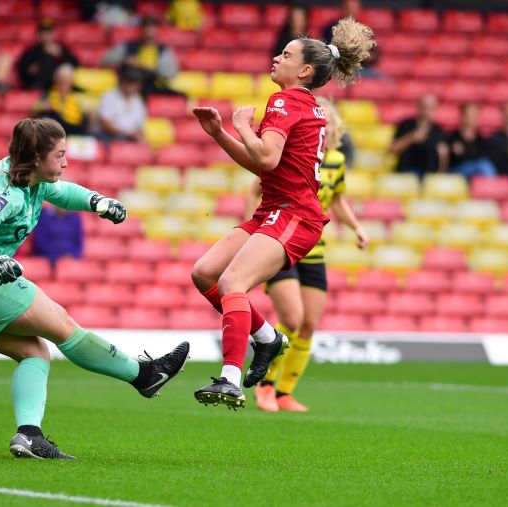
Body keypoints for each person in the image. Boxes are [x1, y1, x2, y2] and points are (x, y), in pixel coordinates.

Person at [0, 118, 189, 459]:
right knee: (63, 325)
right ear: (36, 157)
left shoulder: (30, 179)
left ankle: (29, 435)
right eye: (60, 154)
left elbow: (64, 192)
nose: (66, 162)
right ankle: (145, 376)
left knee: (35, 353)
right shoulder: (3, 191)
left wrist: (97, 201)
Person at [189, 18, 374, 410]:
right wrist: (221, 134)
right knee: (204, 272)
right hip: (275, 209)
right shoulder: (304, 104)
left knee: (231, 282)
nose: (276, 57)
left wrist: (241, 126)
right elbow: (266, 168)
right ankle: (269, 338)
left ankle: (230, 378)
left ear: (305, 70)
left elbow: (267, 157)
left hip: (293, 214)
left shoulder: (285, 101)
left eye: (286, 54)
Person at [252, 97, 367, 413]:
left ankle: (284, 393)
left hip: (314, 250)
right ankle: (264, 384)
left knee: (309, 325)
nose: (324, 124)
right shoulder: (296, 157)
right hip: (284, 244)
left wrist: (357, 228)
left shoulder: (336, 161)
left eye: (328, 119)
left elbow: (339, 200)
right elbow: (258, 186)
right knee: (291, 318)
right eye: (321, 118)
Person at [100, 16, 180, 96]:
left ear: (157, 31)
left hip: (152, 88)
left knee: (180, 97)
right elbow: (104, 60)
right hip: (128, 88)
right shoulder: (128, 46)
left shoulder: (163, 50)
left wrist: (144, 67)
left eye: (152, 29)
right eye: (146, 28)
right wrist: (125, 61)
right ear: (141, 30)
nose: (149, 32)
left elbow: (171, 74)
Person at [390, 94, 448, 178]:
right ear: (418, 106)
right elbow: (392, 149)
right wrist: (411, 137)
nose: (427, 111)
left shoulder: (438, 131)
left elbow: (443, 156)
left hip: (429, 176)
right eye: (425, 107)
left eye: (431, 108)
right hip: (407, 174)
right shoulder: (406, 125)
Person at [17, 19, 80, 91]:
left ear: (53, 34)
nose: (45, 36)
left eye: (48, 33)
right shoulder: (31, 51)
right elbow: (24, 69)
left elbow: (75, 64)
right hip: (38, 87)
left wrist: (59, 55)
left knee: (66, 69)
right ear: (38, 35)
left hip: (58, 88)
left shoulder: (60, 49)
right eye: (43, 33)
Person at [34, 63, 89, 136]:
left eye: (67, 80)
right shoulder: (47, 95)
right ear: (56, 80)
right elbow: (34, 111)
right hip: (54, 132)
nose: (65, 83)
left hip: (74, 131)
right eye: (62, 79)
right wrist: (43, 106)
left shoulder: (78, 96)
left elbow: (85, 117)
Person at [446, 103, 497, 179]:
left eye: (474, 116)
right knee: (484, 166)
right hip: (456, 173)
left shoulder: (480, 140)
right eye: (469, 116)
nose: (472, 119)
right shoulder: (453, 138)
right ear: (462, 116)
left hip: (475, 172)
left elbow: (484, 156)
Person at [97, 65, 147, 142]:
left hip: (130, 139)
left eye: (134, 83)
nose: (131, 86)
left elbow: (140, 127)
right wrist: (126, 133)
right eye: (129, 82)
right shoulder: (109, 96)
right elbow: (105, 125)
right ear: (122, 81)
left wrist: (139, 137)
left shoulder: (138, 101)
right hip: (110, 137)